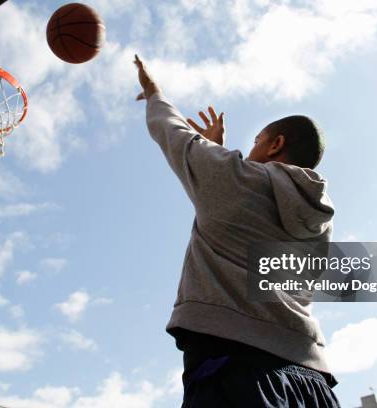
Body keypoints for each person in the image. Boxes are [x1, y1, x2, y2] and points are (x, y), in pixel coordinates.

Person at [134, 54, 340, 408]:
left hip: (239, 369)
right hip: (312, 384)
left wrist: (153, 90)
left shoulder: (233, 177)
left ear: (276, 145)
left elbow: (173, 131)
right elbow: (248, 205)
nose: (253, 146)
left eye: (259, 140)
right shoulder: (321, 221)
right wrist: (217, 153)